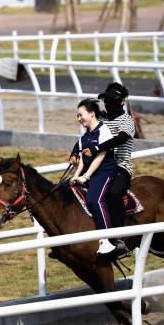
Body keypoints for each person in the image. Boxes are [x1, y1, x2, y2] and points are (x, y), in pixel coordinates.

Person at [69, 99, 125, 257]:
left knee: (94, 199)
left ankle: (107, 240)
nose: (79, 118)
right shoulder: (84, 137)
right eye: (77, 116)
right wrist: (75, 177)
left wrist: (85, 177)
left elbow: (100, 157)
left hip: (104, 172)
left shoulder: (104, 130)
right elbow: (81, 160)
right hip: (89, 174)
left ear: (92, 113)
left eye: (81, 115)